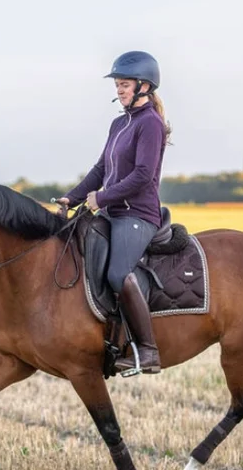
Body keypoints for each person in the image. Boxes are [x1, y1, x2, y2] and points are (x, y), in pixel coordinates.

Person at [55, 51, 171, 376]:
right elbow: (101, 168)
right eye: (117, 85)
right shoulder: (119, 123)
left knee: (118, 274)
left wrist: (101, 199)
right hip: (112, 211)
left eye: (124, 84)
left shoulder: (151, 124)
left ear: (144, 86)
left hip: (138, 216)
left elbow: (143, 176)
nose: (119, 90)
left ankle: (147, 351)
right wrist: (72, 197)